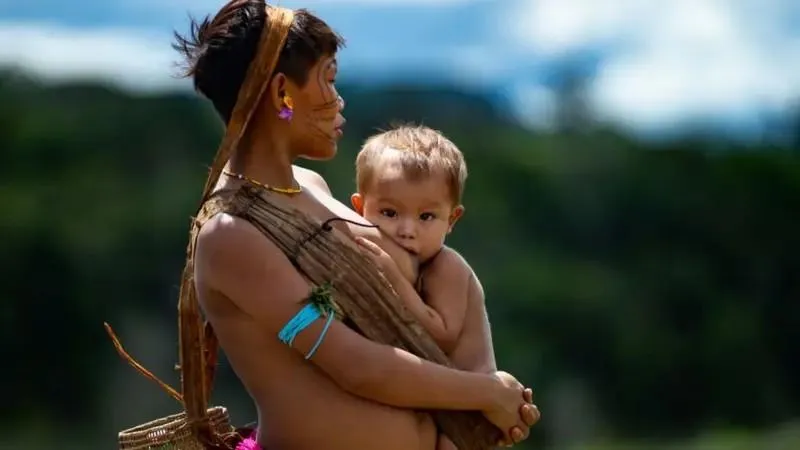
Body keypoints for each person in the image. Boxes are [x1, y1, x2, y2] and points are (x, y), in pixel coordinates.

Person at [170, 1, 540, 449]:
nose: (339, 99)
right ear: (282, 92)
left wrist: (484, 401)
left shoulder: (313, 186)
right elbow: (355, 366)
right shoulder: (230, 235)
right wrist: (486, 393)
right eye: (328, 77)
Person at [351, 125, 497, 450]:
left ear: (452, 220)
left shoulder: (448, 267)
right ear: (360, 209)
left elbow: (441, 335)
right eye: (389, 213)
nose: (406, 230)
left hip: (467, 412)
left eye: (426, 217)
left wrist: (391, 277)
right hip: (434, 398)